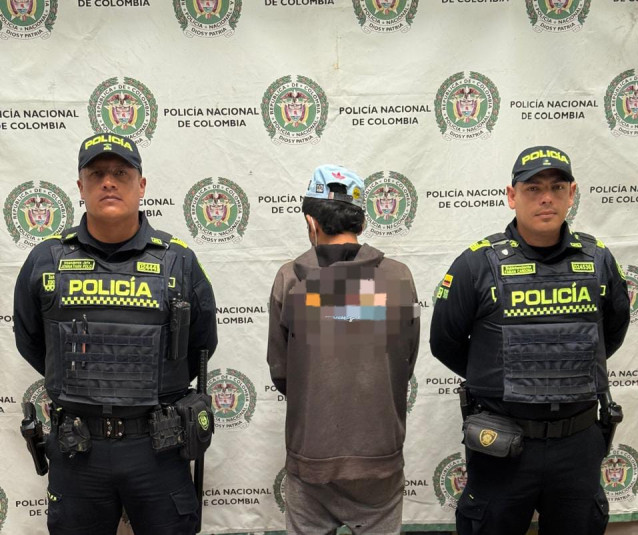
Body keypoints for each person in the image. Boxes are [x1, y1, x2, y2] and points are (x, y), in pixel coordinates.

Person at [14, 133, 217, 535]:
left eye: (121, 173)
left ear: (141, 185)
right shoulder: (46, 260)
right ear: (80, 186)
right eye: (97, 174)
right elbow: (32, 341)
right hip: (78, 451)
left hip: (158, 448)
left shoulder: (178, 261)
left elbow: (201, 345)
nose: (109, 182)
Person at [430, 145, 631, 535]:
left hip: (577, 443)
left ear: (572, 194)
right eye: (533, 188)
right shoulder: (477, 263)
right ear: (512, 196)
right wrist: (497, 373)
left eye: (557, 188)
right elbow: (445, 343)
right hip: (500, 442)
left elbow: (610, 335)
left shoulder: (599, 260)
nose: (546, 198)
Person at [267, 164, 421, 535]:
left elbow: (280, 370)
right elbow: (406, 359)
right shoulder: (399, 277)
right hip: (379, 456)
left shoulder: (290, 279)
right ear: (362, 222)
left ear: (311, 222)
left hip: (312, 455)